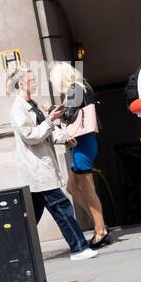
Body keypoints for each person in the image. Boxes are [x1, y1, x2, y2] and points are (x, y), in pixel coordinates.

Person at [7, 67, 97, 261]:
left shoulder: (32, 104)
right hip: (37, 169)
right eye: (31, 81)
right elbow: (31, 136)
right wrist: (50, 119)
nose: (35, 84)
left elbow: (47, 130)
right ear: (20, 84)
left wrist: (64, 137)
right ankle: (79, 248)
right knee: (62, 207)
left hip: (43, 167)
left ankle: (14, 252)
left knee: (29, 217)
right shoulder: (17, 109)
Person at [50, 63, 112, 248]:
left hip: (82, 142)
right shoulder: (81, 86)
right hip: (84, 142)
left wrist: (51, 110)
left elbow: (69, 116)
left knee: (87, 188)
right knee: (72, 187)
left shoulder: (74, 88)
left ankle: (100, 230)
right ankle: (98, 222)